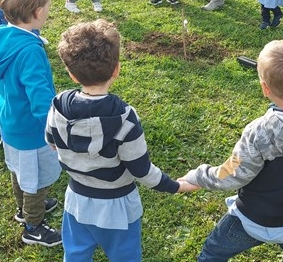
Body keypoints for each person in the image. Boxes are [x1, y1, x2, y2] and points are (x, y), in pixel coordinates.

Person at [45, 19, 196, 260]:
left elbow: (52, 142)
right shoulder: (124, 118)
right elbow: (141, 170)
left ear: (71, 74)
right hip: (118, 207)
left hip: (77, 200)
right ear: (116, 69)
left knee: (75, 254)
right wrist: (175, 185)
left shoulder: (58, 106)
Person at [180, 39, 283, 262]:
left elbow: (232, 173)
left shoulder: (259, 132)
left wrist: (198, 176)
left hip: (251, 221)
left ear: (264, 88)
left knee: (212, 253)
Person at [0, 0, 62, 247]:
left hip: (10, 120)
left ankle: (24, 209)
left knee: (19, 169)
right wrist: (53, 131)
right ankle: (33, 225)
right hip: (32, 128)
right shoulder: (30, 49)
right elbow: (40, 98)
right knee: (36, 177)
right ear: (38, 12)